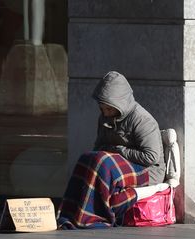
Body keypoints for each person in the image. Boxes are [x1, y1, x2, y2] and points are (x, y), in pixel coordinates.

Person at [57, 71, 168, 229]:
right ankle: (71, 211)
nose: (105, 113)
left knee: (104, 161)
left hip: (148, 170)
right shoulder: (104, 117)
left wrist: (119, 151)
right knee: (87, 159)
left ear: (120, 103)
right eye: (103, 108)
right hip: (115, 166)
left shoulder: (142, 119)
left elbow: (151, 157)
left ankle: (93, 215)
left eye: (109, 109)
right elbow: (99, 146)